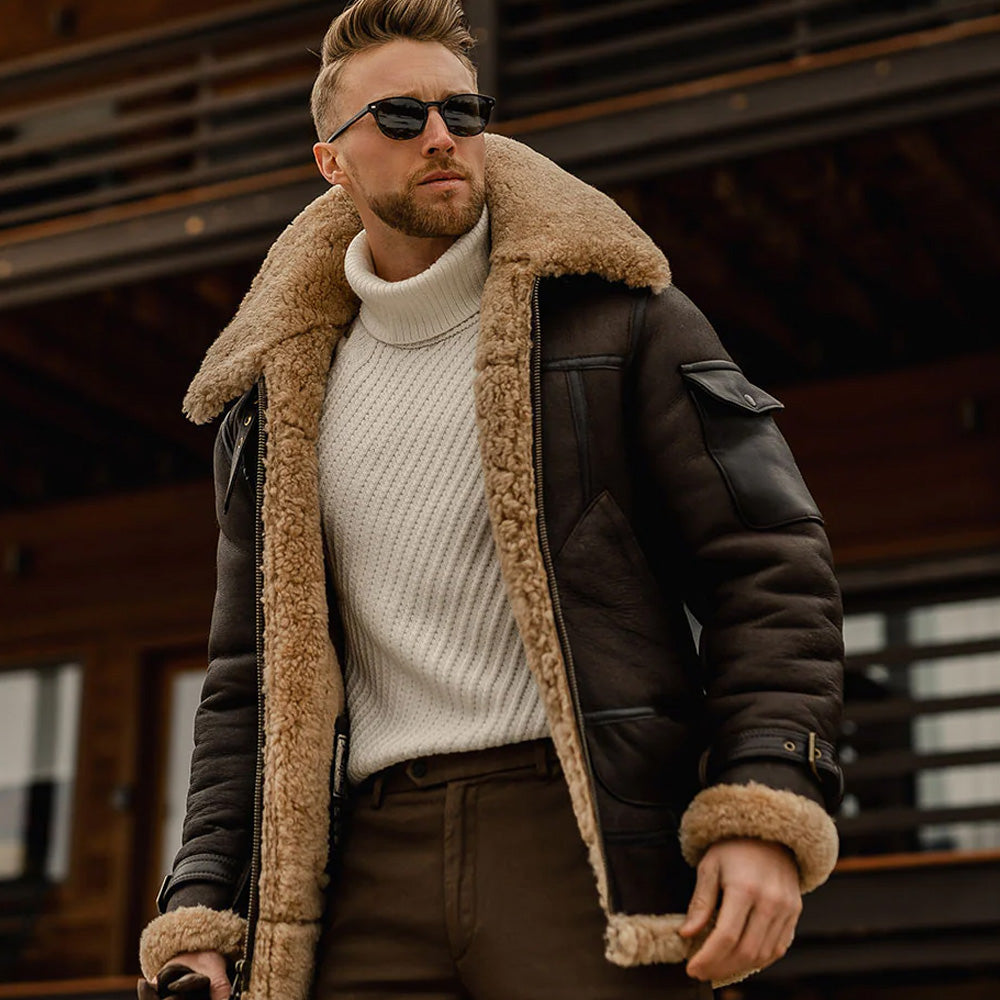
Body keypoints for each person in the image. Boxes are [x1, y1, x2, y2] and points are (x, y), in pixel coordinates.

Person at [137, 2, 845, 998]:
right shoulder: (273, 399)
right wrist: (205, 901)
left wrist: (766, 796)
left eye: (461, 112)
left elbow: (769, 566)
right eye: (397, 117)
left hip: (578, 835)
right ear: (329, 162)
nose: (440, 136)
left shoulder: (622, 319)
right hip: (360, 865)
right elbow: (245, 678)